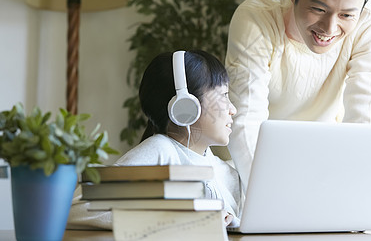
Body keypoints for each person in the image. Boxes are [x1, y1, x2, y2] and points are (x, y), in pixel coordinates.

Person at [225, 0, 371, 190]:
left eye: (346, 15)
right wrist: (271, 194)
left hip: (321, 170)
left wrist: (351, 193)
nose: (329, 28)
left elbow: (364, 124)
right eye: (318, 8)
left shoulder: (368, 28)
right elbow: (246, 123)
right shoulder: (258, 18)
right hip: (250, 172)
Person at [68, 50, 241, 229]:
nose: (232, 109)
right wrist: (173, 217)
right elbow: (77, 208)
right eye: (223, 96)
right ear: (186, 105)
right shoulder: (161, 150)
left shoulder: (226, 171)